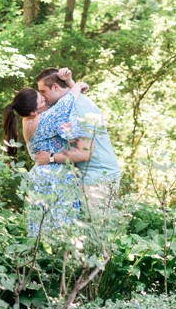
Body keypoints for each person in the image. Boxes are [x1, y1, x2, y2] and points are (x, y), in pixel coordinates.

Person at [2, 71, 87, 236]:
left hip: (38, 177)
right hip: (54, 177)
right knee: (61, 228)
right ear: (34, 111)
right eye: (41, 100)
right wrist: (77, 84)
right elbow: (67, 101)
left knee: (40, 227)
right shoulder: (47, 119)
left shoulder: (26, 119)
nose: (45, 99)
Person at [33, 67, 121, 216]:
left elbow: (84, 154)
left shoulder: (80, 109)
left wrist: (50, 157)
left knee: (98, 232)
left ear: (55, 87)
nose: (42, 98)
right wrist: (73, 83)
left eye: (43, 92)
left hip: (99, 178)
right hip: (83, 178)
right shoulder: (63, 105)